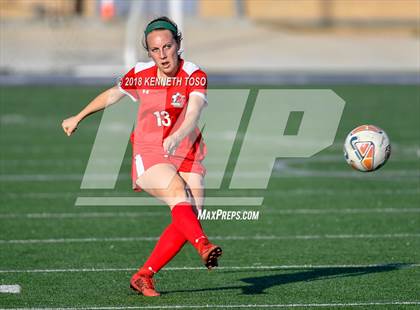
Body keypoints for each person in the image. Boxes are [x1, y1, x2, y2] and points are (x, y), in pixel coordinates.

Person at [62, 16, 222, 297]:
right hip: (149, 150)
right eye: (155, 50)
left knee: (190, 213)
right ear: (148, 52)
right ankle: (204, 245)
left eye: (168, 47)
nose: (162, 55)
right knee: (177, 194)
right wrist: (79, 115)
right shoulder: (141, 73)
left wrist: (177, 134)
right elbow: (113, 94)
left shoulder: (194, 74)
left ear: (178, 44)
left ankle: (143, 276)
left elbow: (194, 111)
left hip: (186, 149)